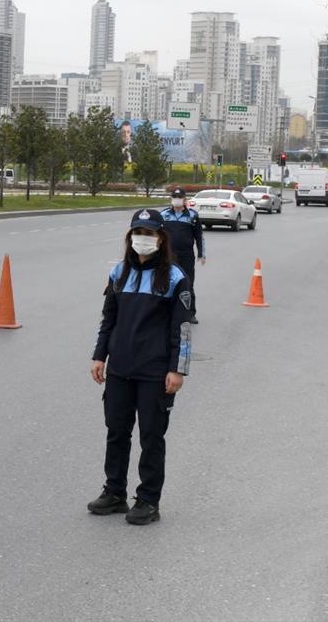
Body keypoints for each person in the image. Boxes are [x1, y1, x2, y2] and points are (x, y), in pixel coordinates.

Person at [88, 209, 193, 525]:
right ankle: (115, 492)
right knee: (116, 432)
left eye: (149, 234)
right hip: (120, 369)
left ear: (161, 239)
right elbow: (109, 319)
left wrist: (178, 369)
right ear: (130, 236)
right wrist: (99, 356)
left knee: (151, 436)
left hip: (155, 373)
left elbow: (183, 329)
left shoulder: (175, 278)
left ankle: (148, 499)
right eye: (138, 233)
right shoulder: (118, 273)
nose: (142, 239)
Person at [160, 187, 205, 322]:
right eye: (175, 197)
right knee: (166, 283)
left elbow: (199, 236)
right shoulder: (164, 215)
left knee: (187, 283)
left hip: (186, 255)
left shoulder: (192, 216)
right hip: (168, 255)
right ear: (171, 199)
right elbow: (158, 236)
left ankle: (190, 313)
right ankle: (165, 312)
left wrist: (201, 254)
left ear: (185, 199)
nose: (177, 200)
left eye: (180, 198)